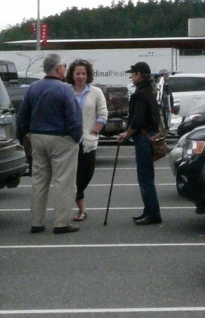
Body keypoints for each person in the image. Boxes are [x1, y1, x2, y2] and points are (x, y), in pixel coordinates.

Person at [16, 53, 82, 235]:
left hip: (37, 137)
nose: (65, 70)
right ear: (59, 69)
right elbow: (73, 118)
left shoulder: (33, 88)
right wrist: (77, 137)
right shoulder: (65, 89)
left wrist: (28, 133)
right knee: (63, 182)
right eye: (64, 66)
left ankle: (36, 222)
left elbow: (22, 116)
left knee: (39, 181)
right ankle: (61, 222)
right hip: (61, 139)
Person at [117, 61, 163, 225]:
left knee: (145, 178)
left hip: (143, 139)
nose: (131, 76)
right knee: (147, 176)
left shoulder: (139, 95)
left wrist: (125, 134)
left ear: (139, 75)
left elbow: (136, 121)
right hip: (150, 136)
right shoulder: (149, 92)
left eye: (133, 73)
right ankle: (149, 210)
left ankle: (153, 213)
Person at [66, 59, 107, 222]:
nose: (81, 77)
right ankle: (81, 210)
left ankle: (74, 197)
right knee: (71, 177)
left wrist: (95, 130)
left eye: (84, 73)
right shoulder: (66, 91)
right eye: (78, 74)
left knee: (86, 175)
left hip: (88, 141)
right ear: (72, 75)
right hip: (69, 142)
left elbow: (103, 114)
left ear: (88, 74)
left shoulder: (96, 92)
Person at [156, 69, 173, 134]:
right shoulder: (159, 84)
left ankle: (166, 127)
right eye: (165, 74)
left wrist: (171, 105)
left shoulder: (168, 83)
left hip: (166, 104)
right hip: (162, 104)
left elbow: (170, 95)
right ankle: (164, 128)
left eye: (167, 74)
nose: (167, 76)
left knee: (167, 115)